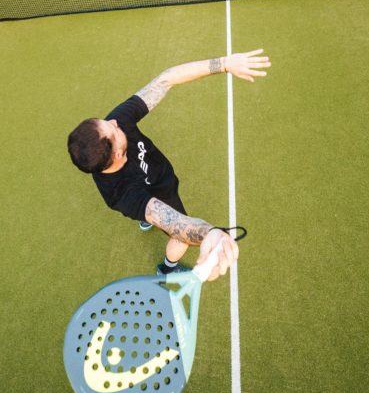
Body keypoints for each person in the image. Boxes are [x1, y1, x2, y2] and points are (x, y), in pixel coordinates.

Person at [67, 49, 271, 277]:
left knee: (151, 214)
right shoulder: (122, 194)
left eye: (107, 122)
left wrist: (224, 63)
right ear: (116, 155)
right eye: (113, 128)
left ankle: (146, 221)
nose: (114, 121)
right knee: (178, 239)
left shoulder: (116, 123)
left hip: (156, 181)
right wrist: (210, 233)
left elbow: (166, 80)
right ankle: (167, 268)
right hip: (159, 194)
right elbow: (180, 225)